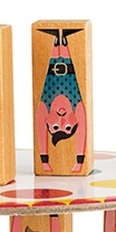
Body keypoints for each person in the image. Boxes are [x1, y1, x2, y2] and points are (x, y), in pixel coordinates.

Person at [34, 27, 87, 174]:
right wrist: (79, 161)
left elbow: (40, 130)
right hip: (69, 72)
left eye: (55, 127)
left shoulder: (45, 107)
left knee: (52, 62)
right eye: (68, 127)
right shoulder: (77, 107)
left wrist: (44, 161)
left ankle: (57, 41)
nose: (62, 121)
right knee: (67, 60)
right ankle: (62, 41)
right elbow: (82, 130)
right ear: (76, 122)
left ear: (47, 122)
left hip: (52, 74)